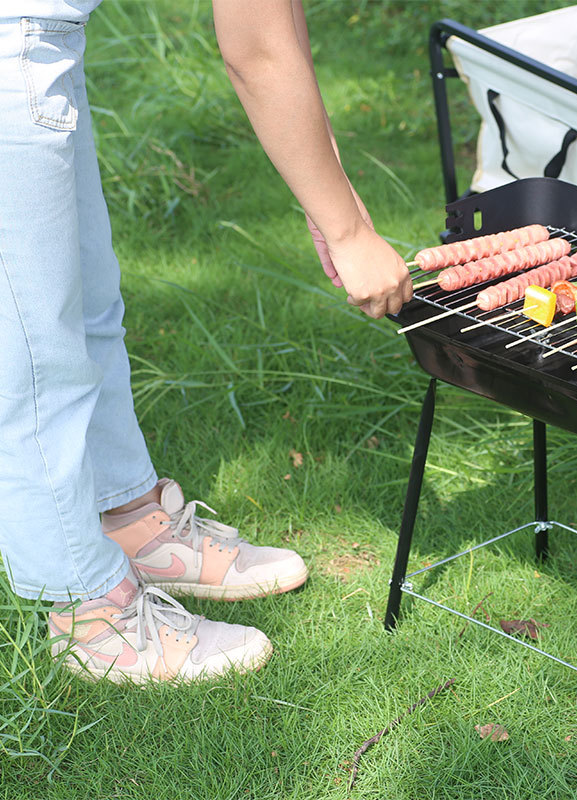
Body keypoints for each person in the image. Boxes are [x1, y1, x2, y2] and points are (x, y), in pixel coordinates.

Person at [0, 0, 412, 684]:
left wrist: (334, 203)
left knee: (87, 309)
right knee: (35, 351)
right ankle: (88, 615)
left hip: (42, 33)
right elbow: (257, 52)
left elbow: (279, 28)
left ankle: (128, 519)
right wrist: (347, 233)